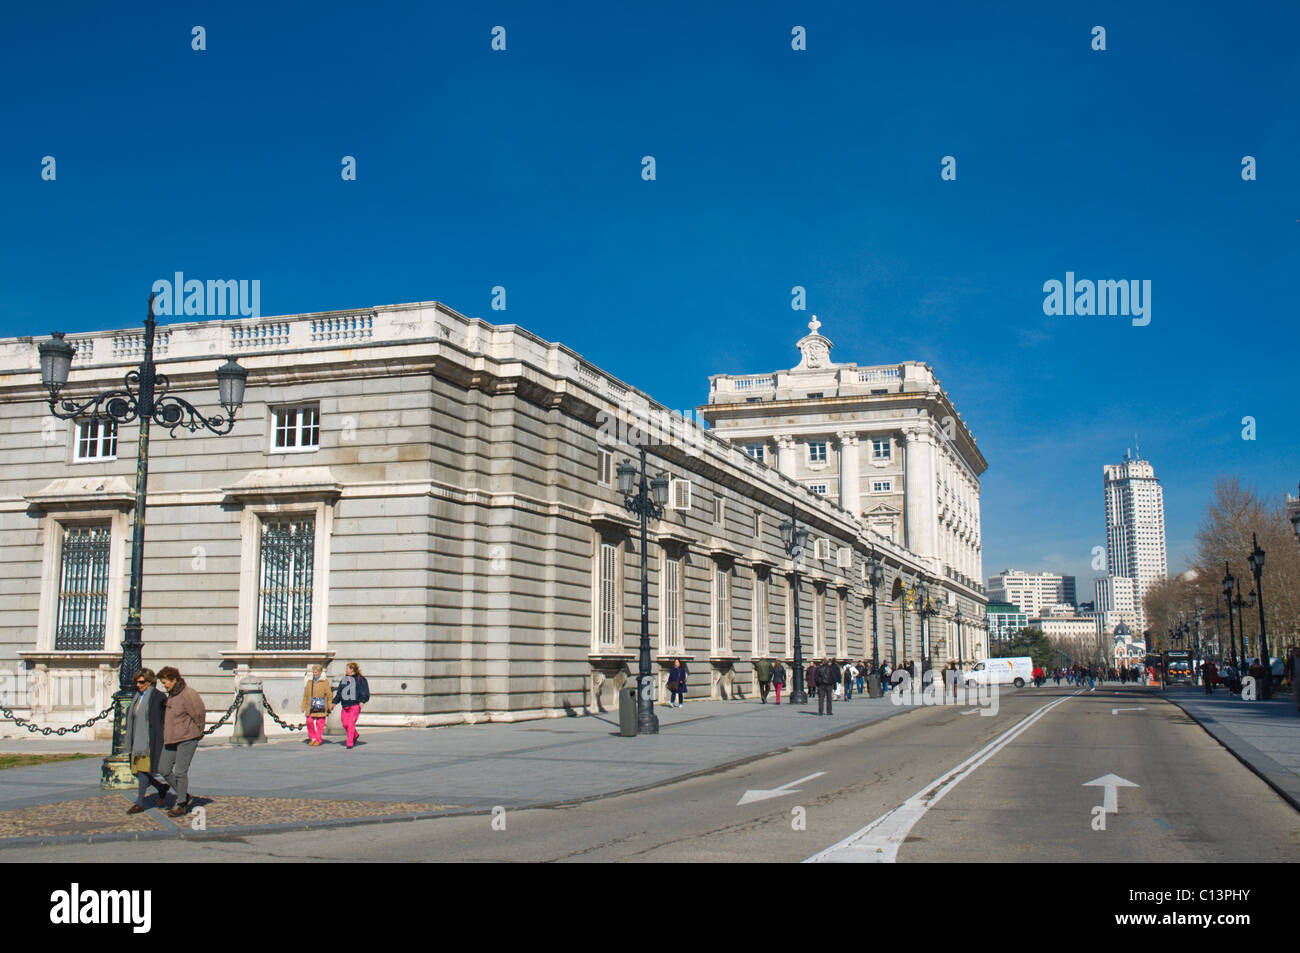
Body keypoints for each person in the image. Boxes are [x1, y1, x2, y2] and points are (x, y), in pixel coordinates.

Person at [156, 666, 206, 818]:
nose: (164, 685)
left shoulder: (188, 693)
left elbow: (199, 713)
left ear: (174, 679)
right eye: (163, 683)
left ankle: (181, 803)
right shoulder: (171, 695)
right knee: (163, 768)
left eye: (165, 682)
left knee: (180, 771)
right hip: (171, 738)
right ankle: (183, 794)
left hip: (187, 738)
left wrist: (198, 731)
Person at [124, 668, 169, 814]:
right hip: (137, 738)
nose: (138, 684)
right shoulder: (138, 696)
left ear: (150, 682)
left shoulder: (157, 697)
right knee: (136, 771)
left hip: (148, 739)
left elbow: (159, 720)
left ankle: (140, 802)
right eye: (136, 682)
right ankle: (161, 787)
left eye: (141, 682)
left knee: (143, 770)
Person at [332, 661, 370, 748]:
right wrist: (334, 703)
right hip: (345, 705)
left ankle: (349, 743)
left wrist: (362, 701)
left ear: (352, 669)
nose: (346, 670)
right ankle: (355, 735)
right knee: (345, 724)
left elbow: (365, 691)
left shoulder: (360, 679)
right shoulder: (344, 680)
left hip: (355, 705)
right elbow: (339, 693)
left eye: (347, 668)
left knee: (351, 723)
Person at [302, 664, 332, 745]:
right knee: (309, 721)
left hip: (321, 704)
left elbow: (329, 694)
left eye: (316, 672)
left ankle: (318, 739)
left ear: (320, 672)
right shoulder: (309, 682)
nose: (314, 674)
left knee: (320, 723)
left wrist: (329, 704)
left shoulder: (325, 682)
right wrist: (303, 706)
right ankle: (313, 737)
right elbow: (306, 695)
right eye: (313, 672)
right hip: (311, 704)